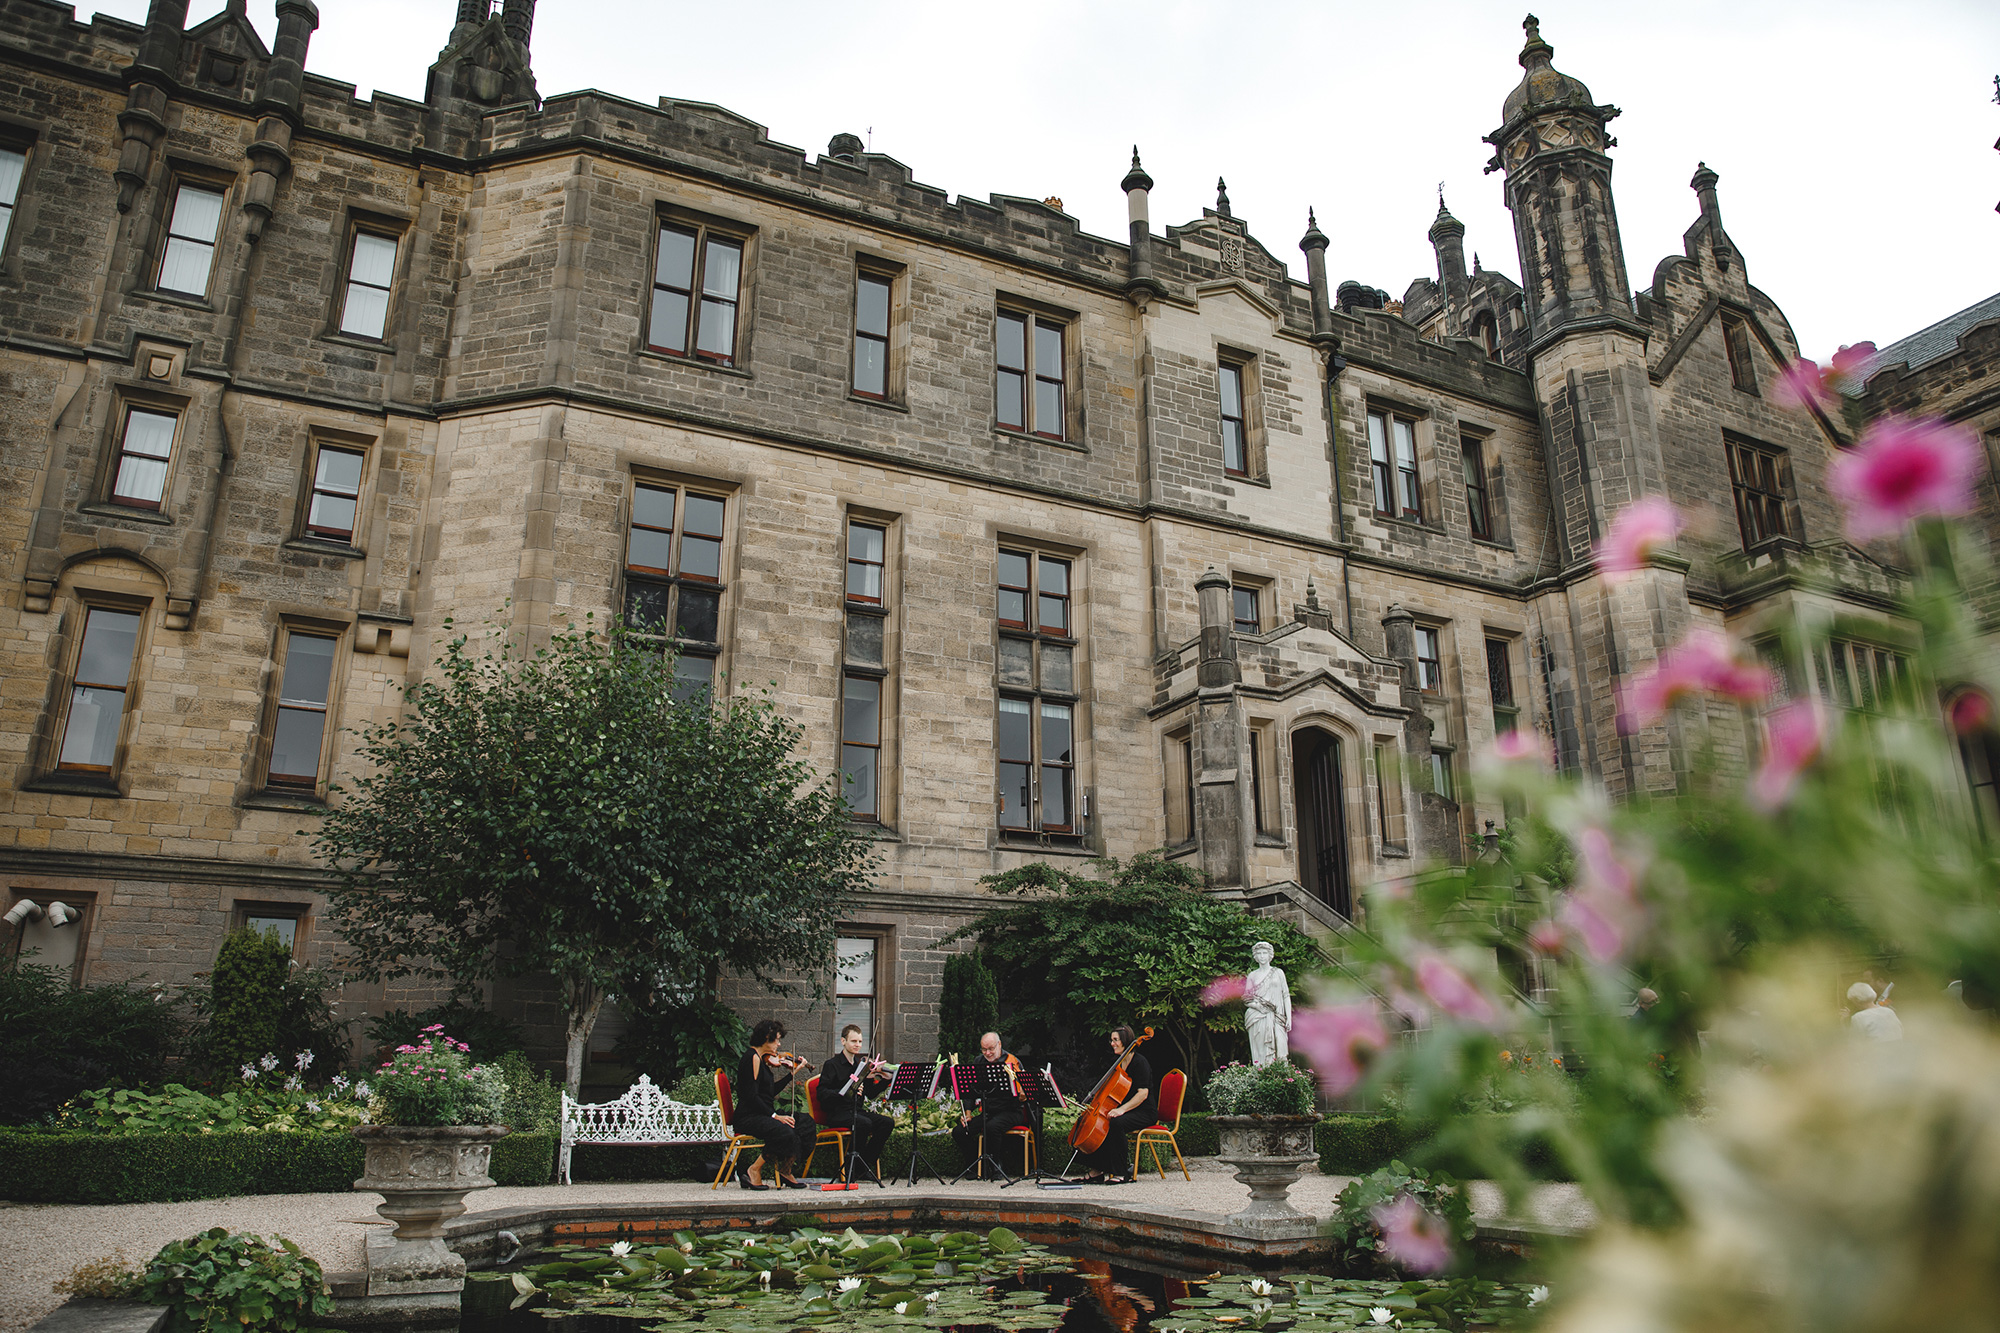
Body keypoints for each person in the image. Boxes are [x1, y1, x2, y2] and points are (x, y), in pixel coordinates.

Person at [733, 1019, 815, 1189]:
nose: (779, 1044)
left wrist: (792, 1074)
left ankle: (786, 1169)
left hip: (762, 1113)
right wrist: (775, 1116)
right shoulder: (752, 1058)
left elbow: (768, 1092)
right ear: (766, 1038)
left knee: (805, 1123)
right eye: (776, 1040)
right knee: (784, 1130)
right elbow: (751, 1097)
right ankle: (753, 1170)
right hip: (748, 1116)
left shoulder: (762, 1059)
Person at [1078, 1026, 1155, 1184]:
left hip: (1144, 1111)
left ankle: (1121, 1173)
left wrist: (1121, 1110)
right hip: (1127, 1110)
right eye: (1111, 1040)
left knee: (1115, 1123)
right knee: (1100, 1123)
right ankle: (1096, 1171)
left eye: (1115, 1040)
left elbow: (1143, 1094)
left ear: (1125, 1041)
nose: (1112, 1043)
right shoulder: (1118, 1064)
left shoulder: (1140, 1062)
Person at [818, 1023, 894, 1177]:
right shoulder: (831, 1065)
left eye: (859, 1042)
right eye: (853, 1041)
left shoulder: (861, 1065)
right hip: (837, 1112)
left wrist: (886, 1080)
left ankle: (862, 1166)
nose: (857, 1045)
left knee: (887, 1123)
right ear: (843, 1041)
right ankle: (851, 1169)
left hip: (856, 1111)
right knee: (863, 1123)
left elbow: (870, 1094)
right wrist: (845, 1091)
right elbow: (822, 1093)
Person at [950, 1031, 1029, 1175]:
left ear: (999, 1045)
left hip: (1011, 1111)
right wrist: (967, 1113)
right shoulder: (979, 1062)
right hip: (989, 1112)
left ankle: (996, 1165)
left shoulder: (1012, 1060)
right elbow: (970, 1092)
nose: (988, 1053)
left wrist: (1023, 1094)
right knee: (960, 1131)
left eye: (991, 1049)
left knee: (992, 1127)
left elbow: (1023, 1091)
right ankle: (975, 1164)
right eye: (984, 1049)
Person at [1245, 940, 1293, 1065]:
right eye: (1259, 953)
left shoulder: (1278, 973)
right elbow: (1246, 999)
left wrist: (1289, 1017)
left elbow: (1286, 995)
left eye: (1264, 953)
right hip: (1258, 1016)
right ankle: (1262, 1074)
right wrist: (1259, 1007)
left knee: (1281, 1046)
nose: (1262, 956)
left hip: (1278, 1016)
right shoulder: (1252, 976)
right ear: (1255, 956)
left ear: (1270, 955)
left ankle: (1282, 1076)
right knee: (1261, 1050)